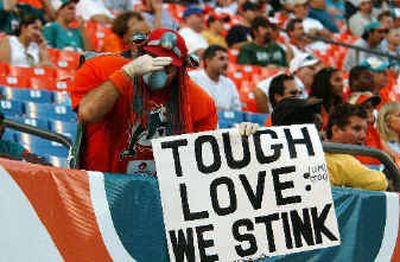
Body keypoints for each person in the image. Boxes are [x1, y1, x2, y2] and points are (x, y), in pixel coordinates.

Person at [70, 28, 218, 175]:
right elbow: (88, 113)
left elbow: (201, 161)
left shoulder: (200, 101)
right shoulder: (101, 68)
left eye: (167, 66)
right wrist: (126, 73)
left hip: (159, 189)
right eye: (152, 58)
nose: (157, 69)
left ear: (180, 69)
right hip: (103, 183)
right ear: (139, 54)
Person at [325, 103, 388, 191]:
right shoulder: (344, 161)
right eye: (356, 129)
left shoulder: (316, 149)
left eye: (365, 131)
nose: (363, 136)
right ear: (336, 130)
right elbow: (380, 182)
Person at [189, 45, 241, 111]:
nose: (226, 63)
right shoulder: (192, 78)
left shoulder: (229, 83)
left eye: (227, 59)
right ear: (208, 61)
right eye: (221, 59)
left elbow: (236, 110)